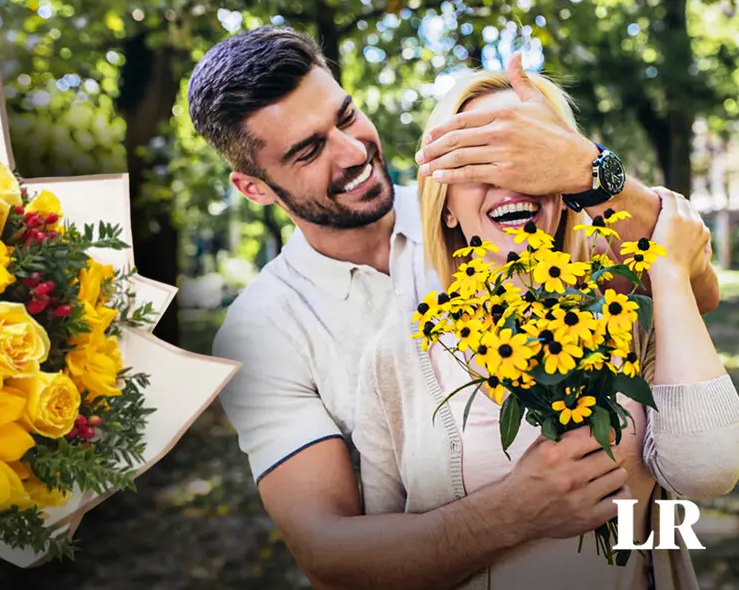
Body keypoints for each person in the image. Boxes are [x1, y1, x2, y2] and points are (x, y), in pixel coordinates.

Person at [188, 25, 721, 589]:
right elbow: (328, 552)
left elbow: (691, 286)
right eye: (308, 150)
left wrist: (591, 170)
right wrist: (515, 511)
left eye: (345, 117)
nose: (352, 152)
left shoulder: (489, 201)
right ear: (254, 189)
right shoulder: (261, 331)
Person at [351, 69, 739, 590]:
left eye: (531, 150)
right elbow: (381, 565)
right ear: (443, 207)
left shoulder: (625, 315)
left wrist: (665, 270)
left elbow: (711, 470)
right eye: (479, 153)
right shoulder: (396, 356)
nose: (511, 173)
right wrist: (513, 512)